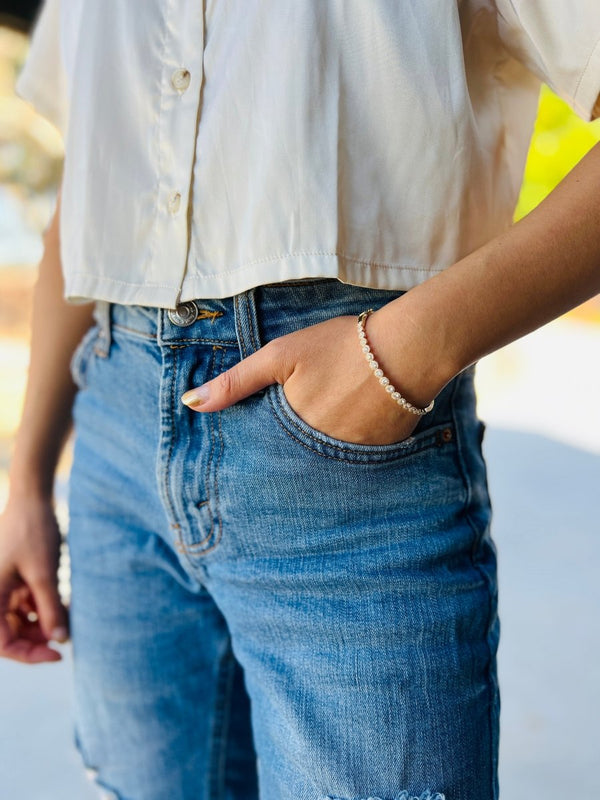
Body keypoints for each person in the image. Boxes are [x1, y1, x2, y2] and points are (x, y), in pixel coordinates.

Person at [1, 2, 599, 798]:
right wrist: (30, 483)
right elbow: (89, 182)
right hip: (113, 438)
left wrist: (397, 354)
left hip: (350, 449)